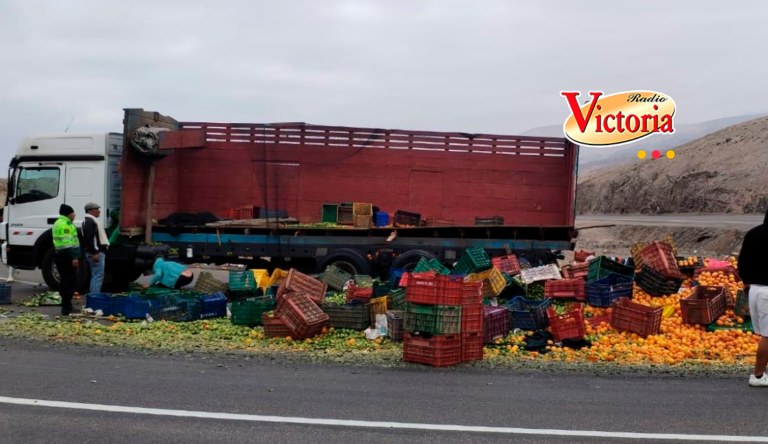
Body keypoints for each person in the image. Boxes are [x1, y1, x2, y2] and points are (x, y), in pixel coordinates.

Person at [738, 208, 768, 387]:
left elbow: (742, 262)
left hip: (755, 291)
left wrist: (747, 281)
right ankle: (757, 376)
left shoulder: (752, 234)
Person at [53, 204, 80, 316]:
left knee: (65, 281)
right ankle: (67, 308)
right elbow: (67, 243)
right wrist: (74, 257)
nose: (75, 215)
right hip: (66, 256)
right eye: (73, 213)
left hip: (62, 256)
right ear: (69, 214)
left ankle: (66, 306)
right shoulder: (64, 224)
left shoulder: (61, 223)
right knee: (69, 281)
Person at [82, 202, 109, 294]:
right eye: (96, 209)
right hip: (96, 252)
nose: (99, 211)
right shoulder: (90, 221)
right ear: (89, 211)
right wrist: (95, 252)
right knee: (98, 276)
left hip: (95, 252)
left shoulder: (89, 221)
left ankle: (93, 296)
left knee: (95, 275)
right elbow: (91, 238)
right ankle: (94, 297)